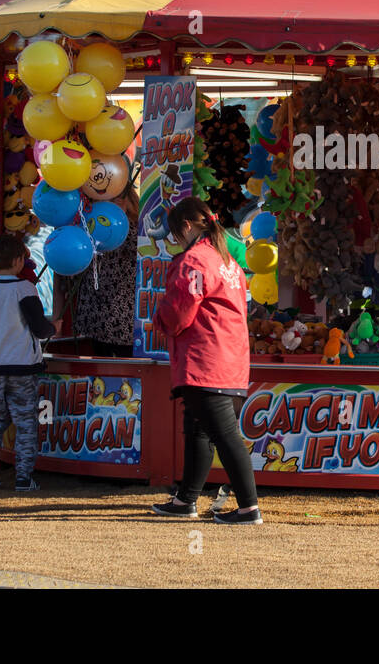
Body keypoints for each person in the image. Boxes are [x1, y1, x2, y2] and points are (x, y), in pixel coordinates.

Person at [151, 197, 261, 524]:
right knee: (198, 429)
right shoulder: (228, 262)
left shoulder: (193, 260)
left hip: (204, 359)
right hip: (230, 357)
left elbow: (179, 312)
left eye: (174, 235)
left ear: (185, 227)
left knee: (224, 435)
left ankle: (248, 507)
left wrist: (160, 321)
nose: (175, 242)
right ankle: (186, 499)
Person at [0, 234, 55, 492]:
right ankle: (23, 477)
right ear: (20, 260)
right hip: (21, 366)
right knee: (25, 422)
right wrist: (54, 328)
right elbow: (40, 328)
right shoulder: (25, 289)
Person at [52, 181, 139, 355]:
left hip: (123, 322)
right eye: (104, 201)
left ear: (129, 200)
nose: (111, 205)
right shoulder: (88, 229)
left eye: (116, 199)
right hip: (95, 320)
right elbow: (65, 277)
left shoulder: (136, 231)